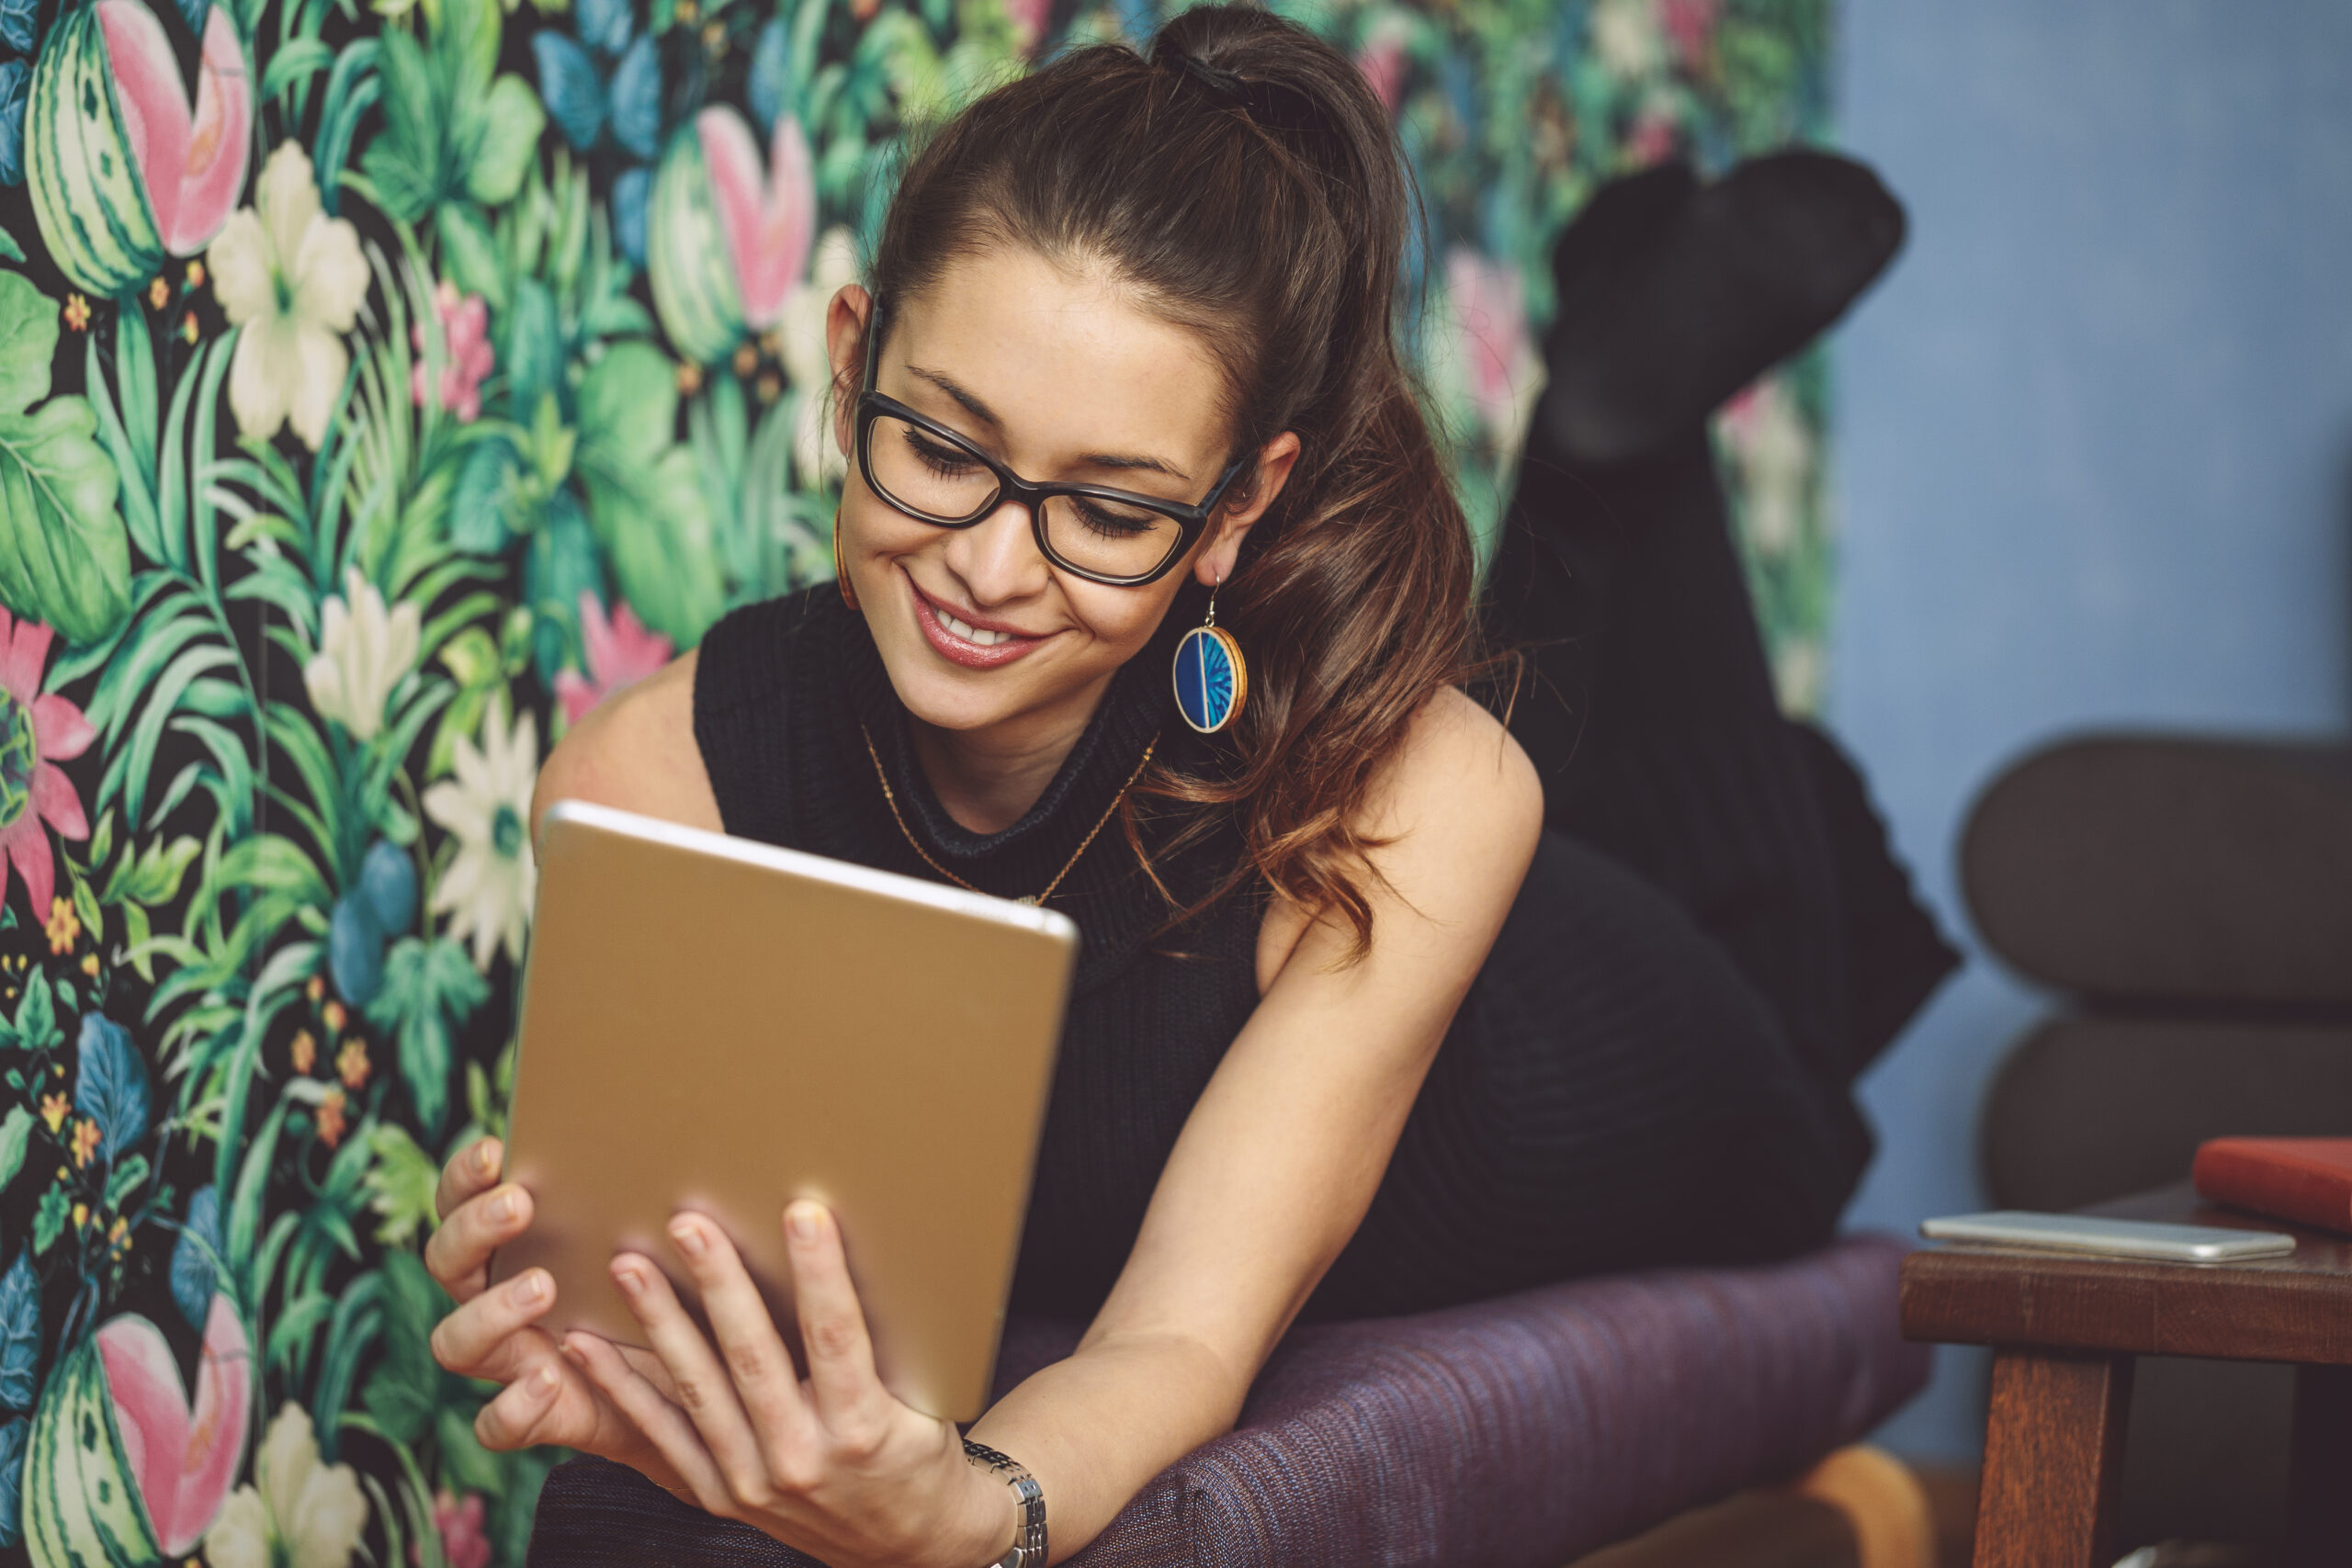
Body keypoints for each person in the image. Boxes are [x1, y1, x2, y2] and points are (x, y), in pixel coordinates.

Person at [422, 8, 1884, 1564]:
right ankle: (1598, 449)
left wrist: (973, 1513)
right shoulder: (653, 782)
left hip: (1622, 1053)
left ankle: (1598, 455)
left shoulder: (1415, 795)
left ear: (1241, 507)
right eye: (937, 443)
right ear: (853, 362)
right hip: (1392, 861)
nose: (986, 566)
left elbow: (1177, 1343)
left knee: (1748, 932)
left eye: (1111, 510)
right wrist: (600, 1317)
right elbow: (736, 1332)